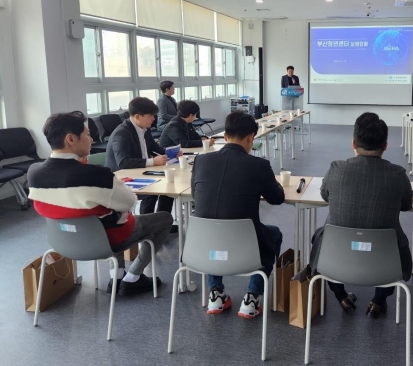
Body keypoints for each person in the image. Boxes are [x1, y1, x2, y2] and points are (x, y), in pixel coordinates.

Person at [28, 111, 173, 296]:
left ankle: (116, 275)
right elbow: (129, 202)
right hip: (103, 240)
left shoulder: (34, 173)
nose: (91, 140)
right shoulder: (97, 175)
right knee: (163, 219)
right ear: (71, 139)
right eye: (88, 135)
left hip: (62, 241)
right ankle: (133, 277)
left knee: (107, 214)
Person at [309, 112, 413, 318]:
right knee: (395, 243)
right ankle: (378, 301)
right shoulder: (398, 174)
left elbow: (325, 195)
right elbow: (406, 205)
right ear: (385, 145)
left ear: (353, 143)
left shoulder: (336, 169)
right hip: (385, 257)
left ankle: (341, 296)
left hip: (336, 255)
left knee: (320, 236)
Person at [192, 111, 285, 319]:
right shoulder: (259, 166)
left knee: (214, 228)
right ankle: (252, 296)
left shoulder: (201, 161)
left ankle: (215, 293)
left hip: (203, 248)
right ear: (251, 137)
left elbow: (196, 196)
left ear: (225, 136)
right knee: (274, 233)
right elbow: (277, 198)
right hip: (245, 248)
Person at [105, 97, 177, 229]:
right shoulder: (122, 133)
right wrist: (152, 161)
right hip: (122, 178)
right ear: (138, 116)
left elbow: (153, 147)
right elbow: (123, 162)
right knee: (150, 193)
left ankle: (163, 225)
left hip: (140, 171)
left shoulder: (145, 128)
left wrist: (170, 152)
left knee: (169, 188)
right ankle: (146, 228)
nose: (154, 119)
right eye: (150, 116)